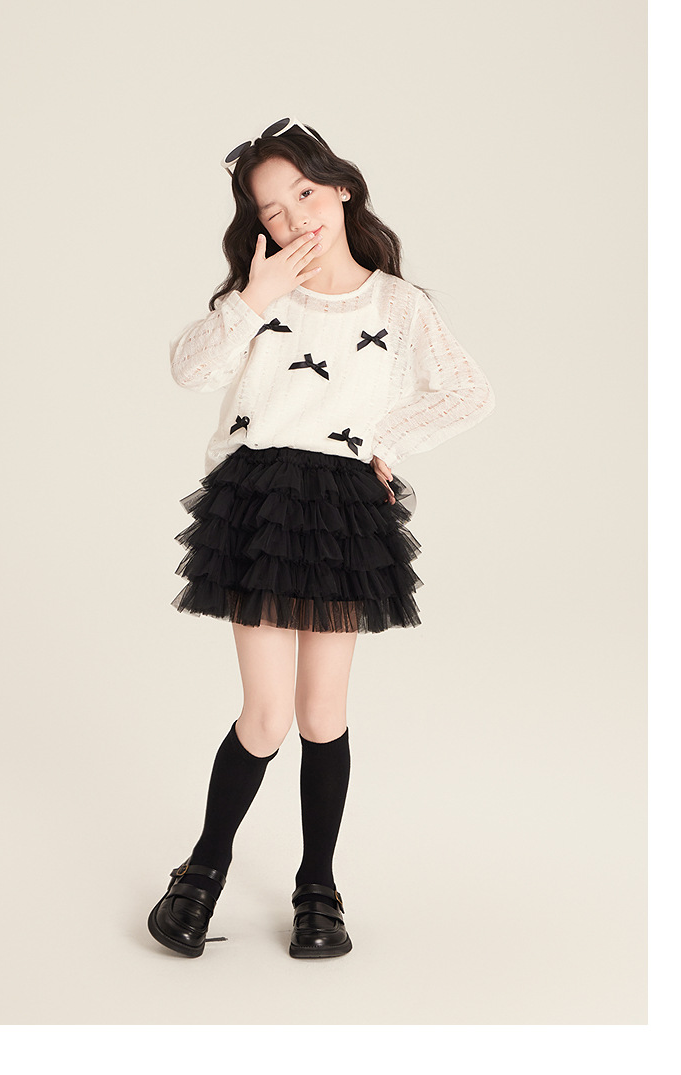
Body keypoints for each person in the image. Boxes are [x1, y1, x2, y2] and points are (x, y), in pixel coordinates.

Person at [147, 117, 495, 960]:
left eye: (305, 192)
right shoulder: (257, 298)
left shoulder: (398, 305)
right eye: (273, 209)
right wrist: (254, 297)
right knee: (265, 715)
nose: (295, 215)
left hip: (341, 511)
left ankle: (318, 886)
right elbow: (190, 370)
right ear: (258, 225)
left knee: (322, 712)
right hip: (260, 502)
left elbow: (468, 390)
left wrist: (386, 441)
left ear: (341, 188)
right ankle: (203, 868)